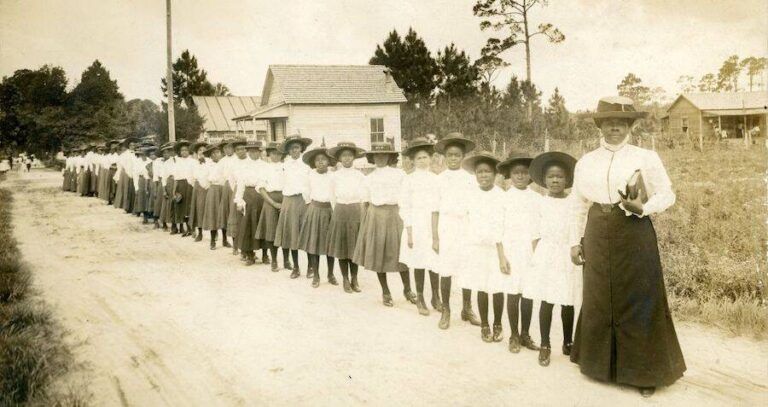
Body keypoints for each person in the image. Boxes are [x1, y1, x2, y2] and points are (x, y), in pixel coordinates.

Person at [569, 96, 685, 397]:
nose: (614, 128)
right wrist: (575, 241)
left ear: (630, 125)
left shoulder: (646, 158)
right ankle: (599, 366)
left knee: (639, 296)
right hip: (596, 229)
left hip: (633, 228)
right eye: (608, 123)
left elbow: (667, 194)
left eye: (620, 123)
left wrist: (642, 209)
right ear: (599, 125)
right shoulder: (586, 161)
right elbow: (578, 205)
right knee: (599, 294)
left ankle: (645, 372)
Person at [526, 151, 579, 367]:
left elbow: (578, 227)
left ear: (567, 179)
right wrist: (540, 257)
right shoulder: (540, 203)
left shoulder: (574, 202)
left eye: (559, 176)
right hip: (547, 253)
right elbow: (535, 233)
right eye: (550, 177)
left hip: (566, 253)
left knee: (567, 300)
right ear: (544, 180)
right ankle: (546, 343)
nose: (555, 180)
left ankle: (568, 341)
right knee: (547, 299)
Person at [353, 142, 416, 307]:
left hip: (396, 214)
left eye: (384, 155)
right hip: (376, 216)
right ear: (372, 158)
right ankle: (385, 291)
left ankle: (408, 289)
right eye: (377, 155)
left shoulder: (400, 174)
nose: (380, 158)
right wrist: (365, 224)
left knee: (401, 253)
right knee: (378, 254)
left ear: (390, 156)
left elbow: (407, 198)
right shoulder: (368, 178)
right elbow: (365, 202)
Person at [432, 133, 482, 329]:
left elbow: (475, 208)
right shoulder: (439, 179)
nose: (453, 158)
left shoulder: (470, 179)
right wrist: (435, 237)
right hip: (446, 226)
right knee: (446, 268)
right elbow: (434, 211)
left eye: (457, 155)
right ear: (444, 157)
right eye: (450, 155)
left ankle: (467, 307)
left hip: (465, 226)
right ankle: (446, 310)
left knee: (467, 268)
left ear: (463, 157)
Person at [461, 151, 510, 343]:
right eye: (480, 172)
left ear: (495, 174)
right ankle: (484, 324)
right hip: (476, 248)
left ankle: (498, 323)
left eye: (487, 171)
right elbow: (466, 221)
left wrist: (502, 254)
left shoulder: (501, 196)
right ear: (475, 175)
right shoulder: (470, 196)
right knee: (481, 286)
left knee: (497, 287)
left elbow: (503, 224)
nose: (483, 175)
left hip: (496, 249)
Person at [497, 152, 539, 352]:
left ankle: (525, 334)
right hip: (511, 251)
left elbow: (539, 229)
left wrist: (538, 255)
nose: (520, 176)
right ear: (510, 175)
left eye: (524, 173)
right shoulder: (505, 198)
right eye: (516, 173)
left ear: (531, 175)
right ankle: (513, 334)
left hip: (530, 251)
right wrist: (502, 257)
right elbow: (498, 231)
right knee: (513, 293)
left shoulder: (537, 198)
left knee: (528, 293)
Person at [399, 138, 441, 316]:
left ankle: (436, 297)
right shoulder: (409, 180)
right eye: (419, 158)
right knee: (419, 262)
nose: (423, 161)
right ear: (413, 161)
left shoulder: (436, 179)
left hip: (433, 224)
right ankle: (421, 298)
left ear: (430, 158)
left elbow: (439, 205)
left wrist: (437, 232)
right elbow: (405, 206)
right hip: (416, 225)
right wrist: (409, 232)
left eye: (425, 157)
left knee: (434, 261)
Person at [326, 141, 366, 293]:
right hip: (340, 210)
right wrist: (338, 210)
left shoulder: (360, 175)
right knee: (342, 247)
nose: (347, 158)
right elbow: (332, 197)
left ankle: (355, 278)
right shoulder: (334, 176)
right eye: (344, 156)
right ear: (339, 158)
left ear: (354, 157)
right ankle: (345, 278)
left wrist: (359, 210)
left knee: (354, 246)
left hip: (355, 210)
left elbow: (363, 196)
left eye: (349, 155)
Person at [274, 134, 313, 279]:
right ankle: (296, 267)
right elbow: (280, 183)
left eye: (296, 148)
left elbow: (312, 184)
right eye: (291, 149)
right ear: (288, 151)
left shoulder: (308, 165)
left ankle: (311, 267)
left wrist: (310, 201)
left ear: (301, 148)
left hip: (304, 201)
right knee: (291, 235)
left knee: (307, 234)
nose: (294, 151)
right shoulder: (284, 166)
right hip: (289, 201)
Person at [297, 146, 336, 288]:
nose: (320, 162)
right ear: (314, 163)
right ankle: (316, 275)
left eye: (323, 159)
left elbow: (335, 194)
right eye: (318, 160)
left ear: (328, 161)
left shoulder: (333, 176)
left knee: (330, 244)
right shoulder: (310, 175)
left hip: (330, 211)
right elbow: (305, 192)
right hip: (315, 209)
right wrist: (311, 207)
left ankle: (331, 274)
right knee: (314, 244)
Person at [256, 141, 291, 271]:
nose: (276, 156)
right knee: (271, 231)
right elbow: (261, 188)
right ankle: (274, 261)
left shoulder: (287, 167)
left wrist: (285, 202)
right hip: (270, 200)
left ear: (283, 155)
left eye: (279, 153)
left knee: (285, 230)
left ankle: (287, 260)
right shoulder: (264, 168)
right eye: (273, 153)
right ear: (268, 154)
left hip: (285, 199)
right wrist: (273, 203)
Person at [233, 140, 269, 266]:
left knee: (262, 224)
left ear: (260, 152)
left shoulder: (265, 166)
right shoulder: (243, 166)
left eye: (256, 151)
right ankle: (250, 255)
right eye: (251, 152)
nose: (254, 154)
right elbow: (240, 184)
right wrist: (239, 200)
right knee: (247, 225)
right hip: (248, 196)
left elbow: (267, 182)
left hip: (262, 196)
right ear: (248, 152)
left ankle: (265, 254)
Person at [225, 138, 250, 256]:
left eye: (243, 149)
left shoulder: (250, 161)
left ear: (246, 149)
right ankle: (236, 246)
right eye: (238, 150)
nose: (241, 151)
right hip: (237, 192)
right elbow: (231, 180)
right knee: (236, 218)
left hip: (249, 191)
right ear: (235, 151)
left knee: (247, 220)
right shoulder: (233, 164)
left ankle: (246, 248)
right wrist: (237, 193)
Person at [202, 143, 225, 249]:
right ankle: (212, 241)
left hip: (223, 189)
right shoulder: (207, 165)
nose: (216, 155)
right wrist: (210, 188)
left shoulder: (224, 164)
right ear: (210, 155)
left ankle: (225, 239)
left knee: (224, 213)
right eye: (213, 153)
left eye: (218, 152)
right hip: (213, 189)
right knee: (213, 214)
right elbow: (203, 180)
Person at [216, 139, 237, 249]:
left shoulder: (237, 159)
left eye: (230, 147)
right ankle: (224, 239)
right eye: (225, 148)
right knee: (225, 213)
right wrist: (224, 185)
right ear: (223, 150)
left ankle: (236, 244)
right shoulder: (222, 161)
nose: (228, 150)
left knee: (234, 214)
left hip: (236, 187)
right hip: (226, 187)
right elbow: (219, 176)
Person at [172, 140, 196, 236]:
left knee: (190, 207)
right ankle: (188, 228)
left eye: (186, 150)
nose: (184, 152)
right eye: (182, 150)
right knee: (182, 208)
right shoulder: (177, 162)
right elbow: (176, 178)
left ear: (189, 151)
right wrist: (174, 191)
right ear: (179, 152)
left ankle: (193, 229)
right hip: (181, 185)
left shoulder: (193, 161)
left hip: (190, 185)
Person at [189, 141, 210, 241]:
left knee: (210, 209)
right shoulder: (193, 163)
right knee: (199, 209)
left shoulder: (210, 162)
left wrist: (207, 185)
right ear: (197, 152)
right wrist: (197, 185)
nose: (202, 152)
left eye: (204, 150)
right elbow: (191, 178)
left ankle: (213, 233)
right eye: (200, 150)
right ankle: (200, 232)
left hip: (209, 187)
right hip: (198, 188)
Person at [159, 143, 177, 231]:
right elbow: (163, 177)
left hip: (178, 182)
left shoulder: (179, 161)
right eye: (170, 151)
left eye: (173, 151)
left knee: (177, 203)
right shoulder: (166, 163)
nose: (172, 153)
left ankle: (176, 224)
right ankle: (165, 223)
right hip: (169, 183)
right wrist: (164, 190)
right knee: (167, 203)